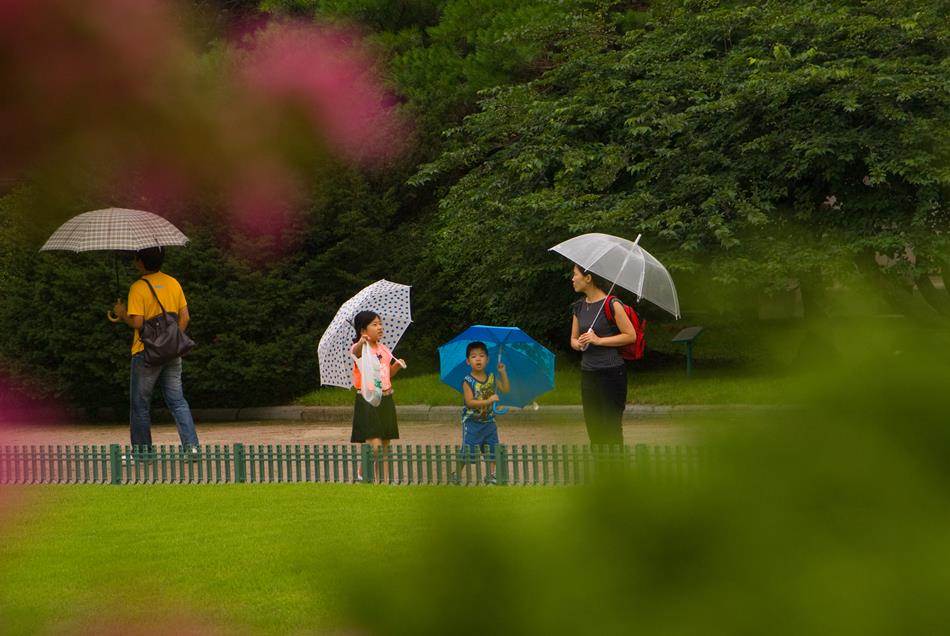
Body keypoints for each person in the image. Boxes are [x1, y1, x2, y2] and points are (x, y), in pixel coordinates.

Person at [110, 246, 200, 458]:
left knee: (140, 404)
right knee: (178, 401)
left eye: (135, 258)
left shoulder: (138, 288)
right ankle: (192, 448)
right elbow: (185, 318)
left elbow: (138, 322)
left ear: (141, 262)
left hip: (145, 353)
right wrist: (171, 341)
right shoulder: (173, 282)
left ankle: (142, 453)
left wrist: (122, 315)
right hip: (172, 353)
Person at [570, 265, 637, 447]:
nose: (572, 279)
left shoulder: (612, 304)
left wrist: (598, 340)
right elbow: (573, 340)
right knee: (594, 428)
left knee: (611, 427)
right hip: (588, 373)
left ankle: (616, 472)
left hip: (612, 373)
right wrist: (580, 343)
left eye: (575, 275)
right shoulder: (578, 307)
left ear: (588, 278)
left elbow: (630, 335)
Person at [350, 310, 405, 482]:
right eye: (374, 324)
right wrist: (361, 342)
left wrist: (396, 366)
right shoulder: (360, 348)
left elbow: (386, 375)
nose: (380, 327)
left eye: (380, 323)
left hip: (386, 398)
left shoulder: (384, 349)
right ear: (363, 330)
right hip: (368, 399)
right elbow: (356, 352)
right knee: (375, 446)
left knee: (386, 444)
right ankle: (362, 473)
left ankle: (384, 481)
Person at [451, 341, 510, 485]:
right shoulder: (467, 381)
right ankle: (456, 473)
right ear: (468, 361)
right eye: (474, 356)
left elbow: (505, 389)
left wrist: (503, 373)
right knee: (468, 450)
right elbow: (470, 402)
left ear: (487, 359)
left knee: (492, 449)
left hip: (489, 421)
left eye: (482, 356)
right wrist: (488, 401)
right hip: (472, 422)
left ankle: (491, 475)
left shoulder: (492, 377)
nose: (478, 359)